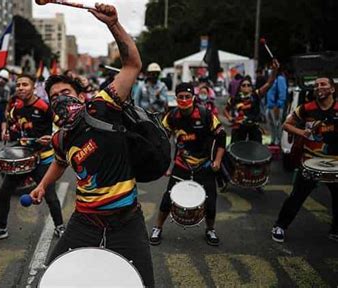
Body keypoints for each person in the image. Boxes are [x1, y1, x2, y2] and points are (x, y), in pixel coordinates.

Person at [29, 4, 154, 287]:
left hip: (127, 219)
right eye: (54, 97)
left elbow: (133, 64)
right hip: (84, 220)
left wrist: (113, 24)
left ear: (80, 95)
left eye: (66, 93)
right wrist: (42, 186)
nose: (60, 99)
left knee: (143, 282)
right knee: (54, 277)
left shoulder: (103, 105)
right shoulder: (60, 137)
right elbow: (60, 163)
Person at [0, 74, 64, 243]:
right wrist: (9, 131)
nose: (20, 87)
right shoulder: (17, 107)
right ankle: (1, 228)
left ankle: (60, 227)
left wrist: (52, 137)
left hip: (44, 159)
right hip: (24, 159)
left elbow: (63, 125)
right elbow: (14, 126)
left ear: (33, 87)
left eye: (25, 84)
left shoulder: (43, 106)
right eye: (18, 84)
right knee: (4, 193)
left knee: (50, 196)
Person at [150, 82, 226, 247]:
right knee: (168, 197)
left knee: (210, 200)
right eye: (180, 97)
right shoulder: (171, 116)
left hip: (204, 165)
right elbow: (162, 140)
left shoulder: (205, 114)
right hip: (182, 164)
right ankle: (157, 227)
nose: (184, 99)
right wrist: (165, 164)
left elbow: (221, 136)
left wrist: (218, 161)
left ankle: (210, 229)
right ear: (176, 98)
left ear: (193, 98)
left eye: (187, 96)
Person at [271, 77, 338, 243]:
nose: (318, 87)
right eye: (316, 85)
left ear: (332, 89)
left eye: (323, 84)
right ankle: (280, 226)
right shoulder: (306, 108)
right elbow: (286, 125)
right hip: (310, 162)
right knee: (296, 197)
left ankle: (335, 230)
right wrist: (302, 133)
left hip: (335, 164)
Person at [224, 59, 280, 144]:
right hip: (239, 128)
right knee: (236, 149)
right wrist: (229, 118)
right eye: (244, 85)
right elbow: (225, 110)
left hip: (254, 128)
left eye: (248, 85)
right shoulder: (234, 98)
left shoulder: (256, 95)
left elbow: (269, 83)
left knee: (256, 150)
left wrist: (274, 70)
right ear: (240, 88)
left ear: (251, 87)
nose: (246, 87)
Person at [266, 69, 287, 146]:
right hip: (269, 106)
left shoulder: (280, 79)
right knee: (271, 125)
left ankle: (278, 141)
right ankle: (273, 140)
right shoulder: (271, 79)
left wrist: (278, 105)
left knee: (277, 125)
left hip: (276, 106)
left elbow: (282, 93)